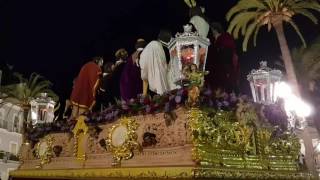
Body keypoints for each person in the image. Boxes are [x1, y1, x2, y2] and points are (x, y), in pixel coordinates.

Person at [205, 22, 240, 93]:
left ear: (215, 30)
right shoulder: (217, 40)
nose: (212, 33)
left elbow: (226, 55)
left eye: (212, 30)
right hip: (221, 70)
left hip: (225, 70)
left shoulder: (224, 38)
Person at [140, 29, 171, 96]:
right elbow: (166, 66)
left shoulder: (148, 47)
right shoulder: (160, 47)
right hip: (161, 83)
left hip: (149, 82)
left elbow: (143, 65)